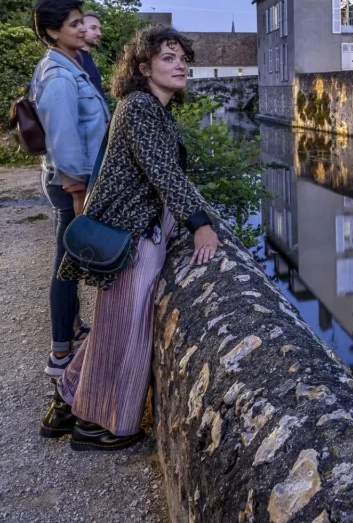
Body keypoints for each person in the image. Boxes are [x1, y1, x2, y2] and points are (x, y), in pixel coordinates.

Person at [40, 25, 221, 450]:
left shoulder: (152, 108)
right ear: (144, 67)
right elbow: (164, 173)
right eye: (168, 59)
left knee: (111, 325)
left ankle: (69, 400)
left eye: (183, 60)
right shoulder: (140, 107)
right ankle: (97, 426)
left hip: (138, 230)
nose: (180, 67)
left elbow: (164, 173)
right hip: (130, 235)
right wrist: (202, 224)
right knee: (123, 330)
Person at [30, 0, 110, 378]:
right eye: (74, 23)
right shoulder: (60, 76)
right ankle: (60, 354)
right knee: (67, 266)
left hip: (74, 180)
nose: (82, 28)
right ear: (52, 31)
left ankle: (73, 328)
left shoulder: (71, 64)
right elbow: (63, 139)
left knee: (69, 259)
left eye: (82, 22)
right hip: (71, 184)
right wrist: (79, 191)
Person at [76, 11, 105, 100]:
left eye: (100, 29)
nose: (99, 33)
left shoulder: (87, 57)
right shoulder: (75, 59)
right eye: (93, 28)